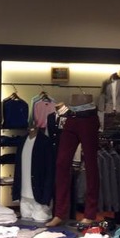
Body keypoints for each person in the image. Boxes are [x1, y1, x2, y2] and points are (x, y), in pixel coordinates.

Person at [45, 93, 100, 227]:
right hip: (71, 116)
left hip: (88, 116)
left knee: (90, 165)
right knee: (61, 163)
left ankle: (90, 214)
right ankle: (60, 213)